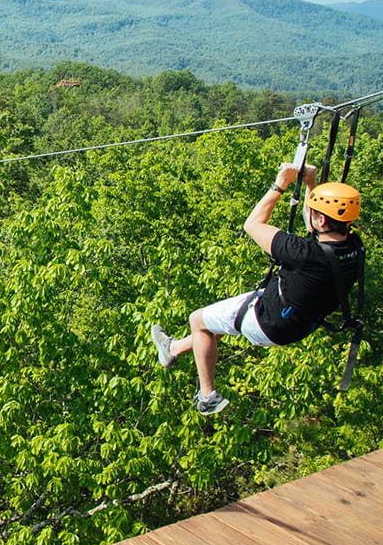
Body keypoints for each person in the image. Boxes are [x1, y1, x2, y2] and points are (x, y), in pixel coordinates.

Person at [151, 163, 365, 414]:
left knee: (198, 320)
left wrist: (281, 184)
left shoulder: (303, 253)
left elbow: (252, 225)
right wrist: (310, 184)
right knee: (217, 321)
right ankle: (173, 349)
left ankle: (207, 396)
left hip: (268, 319)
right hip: (301, 321)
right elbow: (315, 223)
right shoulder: (354, 245)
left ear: (321, 219)